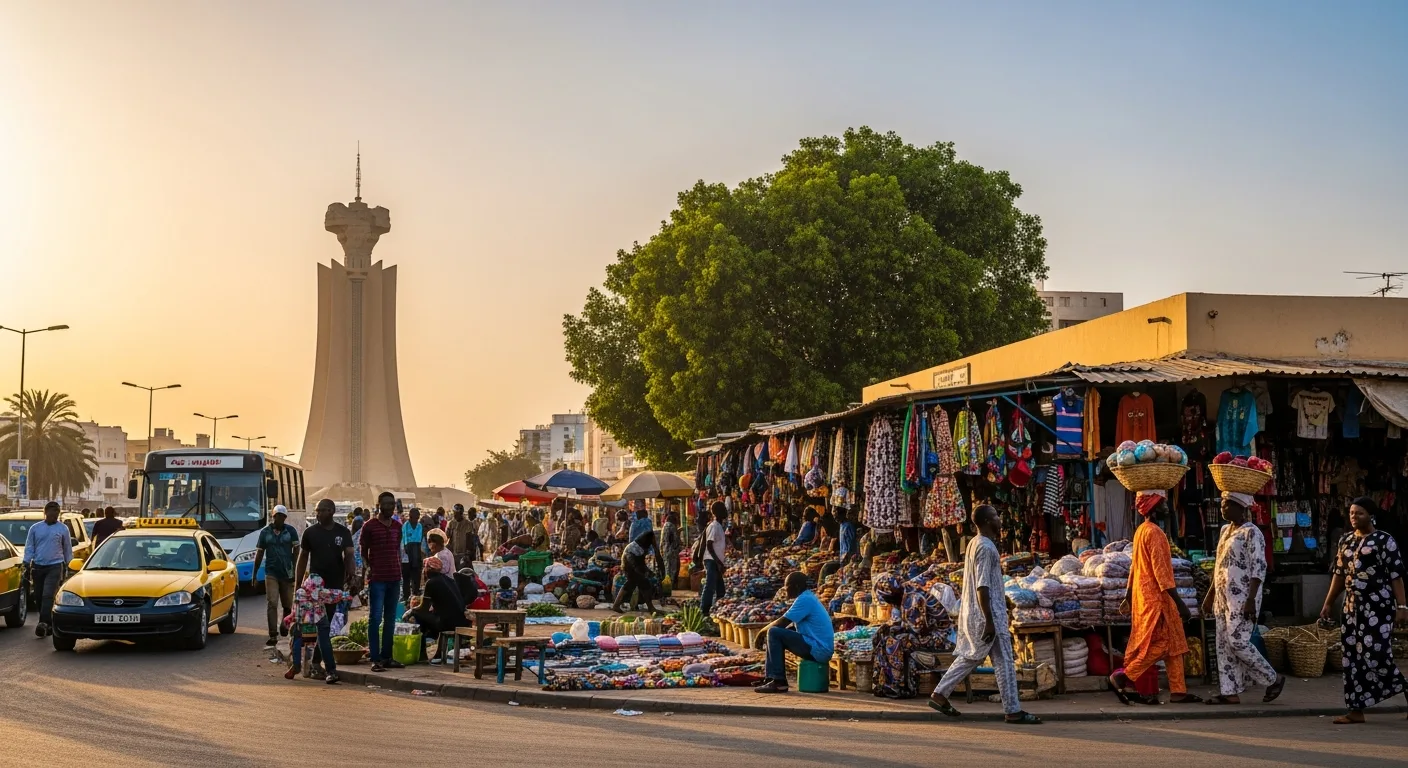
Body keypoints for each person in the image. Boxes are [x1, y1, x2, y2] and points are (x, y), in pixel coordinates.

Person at [929, 504, 1041, 724]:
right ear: (989, 522)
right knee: (1004, 661)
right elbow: (983, 586)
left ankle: (940, 694)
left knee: (973, 657)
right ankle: (1013, 710)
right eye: (996, 517)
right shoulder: (986, 548)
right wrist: (989, 620)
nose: (1000, 520)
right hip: (989, 614)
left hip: (978, 612)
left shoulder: (974, 543)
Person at [1320, 496, 1408, 724]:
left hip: (1378, 607)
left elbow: (1396, 576)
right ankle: (1355, 710)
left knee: (1376, 654)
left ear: (1371, 515)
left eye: (1359, 513)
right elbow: (1339, 575)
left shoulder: (1384, 541)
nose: (1354, 517)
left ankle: (1405, 690)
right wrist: (1328, 602)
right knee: (1351, 657)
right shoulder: (1345, 541)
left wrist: (1402, 606)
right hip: (1351, 608)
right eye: (1351, 513)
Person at [1110, 490, 1199, 705]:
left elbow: (1134, 568)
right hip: (1158, 599)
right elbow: (1162, 574)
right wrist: (1181, 605)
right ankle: (1125, 676)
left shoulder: (1141, 531)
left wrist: (1129, 595)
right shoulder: (1155, 534)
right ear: (1152, 506)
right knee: (1163, 644)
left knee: (1175, 644)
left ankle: (1178, 691)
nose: (1167, 506)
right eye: (1162, 502)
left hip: (1146, 596)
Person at [1204, 491, 1285, 705]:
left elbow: (1259, 566)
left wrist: (1251, 599)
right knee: (1223, 643)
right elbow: (1219, 566)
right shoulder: (1224, 531)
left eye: (1228, 504)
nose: (1223, 508)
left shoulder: (1252, 532)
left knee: (1237, 641)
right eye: (1222, 503)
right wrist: (1210, 594)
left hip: (1243, 596)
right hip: (1223, 596)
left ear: (1241, 507)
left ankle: (1272, 678)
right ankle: (1229, 690)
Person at [294, 499, 355, 685]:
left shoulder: (342, 532)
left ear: (332, 511)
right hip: (314, 588)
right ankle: (323, 667)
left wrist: (352, 576)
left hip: (334, 586)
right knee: (321, 626)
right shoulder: (310, 533)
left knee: (324, 627)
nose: (318, 513)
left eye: (322, 510)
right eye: (317, 510)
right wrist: (298, 584)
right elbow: (302, 558)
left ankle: (315, 663)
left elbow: (349, 555)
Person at [871, 572, 953, 698]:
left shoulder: (914, 598)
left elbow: (919, 629)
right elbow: (897, 621)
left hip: (939, 637)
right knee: (881, 637)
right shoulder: (902, 595)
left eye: (888, 599)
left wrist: (897, 630)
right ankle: (883, 683)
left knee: (898, 642)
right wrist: (887, 628)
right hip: (921, 634)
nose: (888, 602)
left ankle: (900, 686)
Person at [752, 572, 834, 693]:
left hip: (820, 650)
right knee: (776, 633)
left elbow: (782, 622)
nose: (785, 590)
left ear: (796, 587)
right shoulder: (807, 597)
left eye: (787, 587)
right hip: (816, 645)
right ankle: (770, 678)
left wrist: (761, 633)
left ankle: (779, 681)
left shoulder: (805, 599)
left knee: (774, 632)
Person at [361, 491, 405, 672]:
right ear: (379, 505)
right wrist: (367, 568)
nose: (389, 507)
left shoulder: (396, 526)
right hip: (377, 578)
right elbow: (363, 551)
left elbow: (396, 549)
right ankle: (375, 658)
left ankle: (387, 656)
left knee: (390, 619)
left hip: (394, 577)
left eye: (392, 504)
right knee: (375, 618)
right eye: (386, 504)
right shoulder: (369, 526)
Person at [283, 573, 349, 682]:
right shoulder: (321, 593)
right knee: (324, 640)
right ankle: (331, 672)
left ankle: (296, 665)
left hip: (306, 618)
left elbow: (296, 613)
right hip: (319, 617)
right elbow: (334, 595)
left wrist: (289, 620)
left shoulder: (300, 593)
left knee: (297, 635)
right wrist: (346, 595)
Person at [23, 501, 73, 638]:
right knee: (38, 596)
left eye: (56, 512)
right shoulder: (35, 528)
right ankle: (49, 623)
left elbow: (67, 548)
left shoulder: (63, 529)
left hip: (55, 566)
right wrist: (26, 562)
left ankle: (42, 623)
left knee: (47, 595)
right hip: (38, 566)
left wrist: (70, 565)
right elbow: (29, 547)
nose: (54, 515)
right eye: (51, 512)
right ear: (45, 513)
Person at [253, 505, 300, 647]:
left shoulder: (290, 531)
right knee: (272, 603)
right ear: (272, 517)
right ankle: (273, 634)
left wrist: (294, 569)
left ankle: (284, 625)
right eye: (276, 516)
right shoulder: (265, 533)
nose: (278, 519)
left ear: (285, 518)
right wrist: (254, 574)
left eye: (281, 516)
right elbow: (260, 553)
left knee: (287, 605)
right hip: (271, 572)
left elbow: (297, 549)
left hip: (287, 573)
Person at [406, 557, 468, 664]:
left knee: (416, 615)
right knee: (430, 616)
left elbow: (423, 608)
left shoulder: (431, 583)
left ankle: (422, 653)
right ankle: (438, 652)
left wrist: (410, 611)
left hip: (447, 623)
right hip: (462, 621)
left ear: (427, 570)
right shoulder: (449, 580)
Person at [611, 529, 663, 613]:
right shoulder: (642, 543)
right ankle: (651, 607)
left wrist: (646, 570)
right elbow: (637, 562)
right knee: (641, 582)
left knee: (633, 583)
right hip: (630, 559)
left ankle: (616, 605)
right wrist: (645, 571)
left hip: (630, 559)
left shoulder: (644, 540)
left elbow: (642, 560)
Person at [701, 501, 729, 616]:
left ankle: (718, 610)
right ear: (718, 512)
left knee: (720, 589)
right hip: (711, 561)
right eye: (723, 509)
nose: (726, 511)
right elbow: (709, 544)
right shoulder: (714, 526)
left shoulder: (719, 526)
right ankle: (704, 611)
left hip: (716, 561)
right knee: (710, 586)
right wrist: (718, 562)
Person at [401, 508, 426, 601]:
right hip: (407, 553)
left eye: (417, 518)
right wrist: (407, 548)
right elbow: (405, 540)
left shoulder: (419, 526)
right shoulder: (405, 526)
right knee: (406, 577)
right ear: (411, 517)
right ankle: (406, 596)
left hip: (416, 551)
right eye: (415, 517)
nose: (416, 520)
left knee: (416, 575)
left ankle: (415, 593)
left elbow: (419, 540)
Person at [658, 510, 682, 587]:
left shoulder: (665, 526)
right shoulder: (672, 526)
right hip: (671, 551)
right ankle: (669, 586)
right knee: (672, 570)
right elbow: (675, 540)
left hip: (664, 550)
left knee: (666, 568)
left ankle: (666, 586)